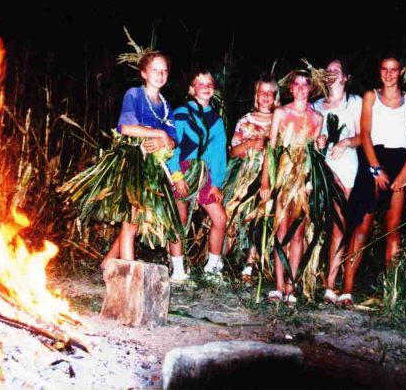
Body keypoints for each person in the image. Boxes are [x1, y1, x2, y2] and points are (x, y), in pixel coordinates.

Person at [339, 52, 406, 307]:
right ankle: (346, 290)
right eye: (384, 69)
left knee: (393, 230)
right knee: (362, 226)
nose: (389, 74)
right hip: (374, 159)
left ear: (401, 72)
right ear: (379, 71)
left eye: (393, 70)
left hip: (400, 162)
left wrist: (405, 172)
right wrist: (375, 169)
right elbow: (365, 133)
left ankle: (392, 293)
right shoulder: (371, 96)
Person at [99, 51, 178, 269]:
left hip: (152, 169)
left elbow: (173, 141)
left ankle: (107, 264)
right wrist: (159, 134)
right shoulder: (134, 94)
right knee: (131, 220)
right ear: (144, 73)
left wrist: (164, 141)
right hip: (133, 163)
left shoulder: (166, 105)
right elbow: (126, 128)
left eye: (164, 71)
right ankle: (127, 274)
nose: (160, 74)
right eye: (155, 70)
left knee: (135, 221)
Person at [259, 71, 323, 305]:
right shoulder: (281, 113)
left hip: (303, 182)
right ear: (291, 88)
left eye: (306, 85)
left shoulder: (317, 118)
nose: (301, 89)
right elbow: (270, 149)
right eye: (297, 84)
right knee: (281, 230)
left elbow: (315, 155)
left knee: (298, 233)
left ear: (311, 89)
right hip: (283, 178)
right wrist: (265, 182)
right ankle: (278, 285)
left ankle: (291, 285)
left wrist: (321, 145)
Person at [167, 70, 227, 282]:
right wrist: (176, 176)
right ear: (192, 89)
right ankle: (177, 269)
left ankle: (212, 267)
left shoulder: (216, 120)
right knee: (179, 218)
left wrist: (216, 183)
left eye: (209, 83)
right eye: (201, 84)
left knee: (220, 218)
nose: (206, 87)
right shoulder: (181, 113)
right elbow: (172, 145)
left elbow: (219, 153)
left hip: (205, 173)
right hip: (182, 170)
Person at [312, 58, 363, 304]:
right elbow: (310, 136)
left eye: (337, 70)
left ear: (345, 78)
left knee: (340, 226)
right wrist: (318, 142)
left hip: (346, 169)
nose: (331, 73)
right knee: (313, 223)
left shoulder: (354, 102)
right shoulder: (315, 105)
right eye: (328, 70)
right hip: (321, 170)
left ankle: (331, 286)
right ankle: (305, 278)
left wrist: (345, 142)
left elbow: (364, 136)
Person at [223, 77, 280, 283]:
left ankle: (249, 266)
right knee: (232, 213)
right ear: (256, 95)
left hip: (269, 176)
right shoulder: (245, 120)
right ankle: (219, 260)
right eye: (261, 92)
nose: (265, 96)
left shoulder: (280, 120)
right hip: (243, 175)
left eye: (270, 93)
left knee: (261, 218)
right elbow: (233, 152)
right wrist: (249, 143)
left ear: (275, 97)